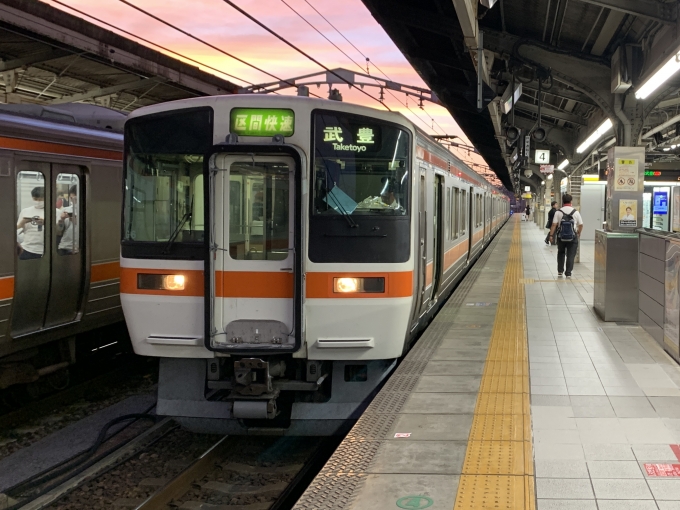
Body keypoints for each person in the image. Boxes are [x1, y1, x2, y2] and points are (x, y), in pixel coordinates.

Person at [549, 194, 583, 278]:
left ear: (562, 201)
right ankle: (568, 273)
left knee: (561, 253)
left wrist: (551, 235)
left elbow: (554, 224)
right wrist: (578, 232)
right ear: (571, 201)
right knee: (571, 254)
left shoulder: (558, 212)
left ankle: (560, 271)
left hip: (561, 236)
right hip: (572, 236)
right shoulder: (575, 212)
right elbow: (581, 224)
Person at [16, 186, 46, 260]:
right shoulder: (25, 211)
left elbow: (59, 232)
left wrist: (46, 223)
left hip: (45, 250)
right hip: (27, 249)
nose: (38, 201)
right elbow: (17, 230)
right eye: (35, 199)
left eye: (41, 199)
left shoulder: (55, 211)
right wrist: (22, 223)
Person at [57, 185, 79, 255]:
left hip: (78, 247)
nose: (73, 201)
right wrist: (61, 220)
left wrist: (77, 222)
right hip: (64, 245)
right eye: (71, 198)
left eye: (75, 198)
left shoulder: (87, 211)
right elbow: (59, 231)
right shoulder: (66, 210)